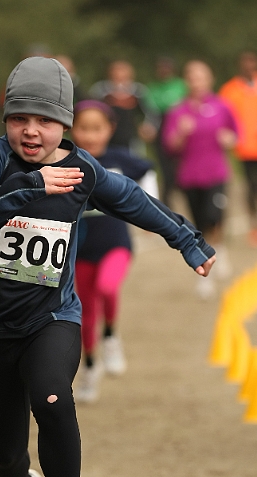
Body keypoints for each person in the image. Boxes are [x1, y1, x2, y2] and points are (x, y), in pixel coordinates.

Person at [0, 57, 215, 477]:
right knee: (4, 453)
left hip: (53, 318)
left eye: (45, 120)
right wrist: (31, 187)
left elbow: (132, 199)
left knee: (53, 397)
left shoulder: (82, 169)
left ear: (64, 125)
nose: (31, 130)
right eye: (20, 117)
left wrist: (184, 238)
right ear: (5, 119)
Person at [70, 99, 157, 402]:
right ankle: (90, 367)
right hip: (79, 251)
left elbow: (148, 170)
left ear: (110, 129)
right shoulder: (66, 160)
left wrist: (148, 211)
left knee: (108, 286)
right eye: (83, 128)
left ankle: (111, 337)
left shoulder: (120, 159)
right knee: (85, 313)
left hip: (116, 244)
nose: (90, 135)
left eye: (97, 129)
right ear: (72, 130)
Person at [164, 60, 238, 300]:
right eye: (192, 77)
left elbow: (236, 134)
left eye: (201, 77)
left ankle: (221, 250)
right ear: (187, 81)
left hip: (216, 174)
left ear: (210, 79)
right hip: (189, 176)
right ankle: (205, 273)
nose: (196, 82)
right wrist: (181, 134)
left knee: (215, 217)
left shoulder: (222, 106)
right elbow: (170, 146)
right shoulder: (178, 111)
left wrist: (230, 140)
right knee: (198, 225)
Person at [219, 51, 257, 247]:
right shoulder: (230, 90)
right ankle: (255, 224)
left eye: (252, 62)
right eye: (245, 63)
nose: (249, 66)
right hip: (244, 147)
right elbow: (223, 115)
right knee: (251, 186)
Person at [89, 60, 158, 154]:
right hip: (106, 138)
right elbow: (89, 109)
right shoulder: (101, 91)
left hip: (132, 138)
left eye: (123, 77)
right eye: (116, 76)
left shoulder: (138, 92)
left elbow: (151, 112)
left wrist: (148, 126)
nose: (119, 80)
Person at [145, 56, 187, 207]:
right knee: (166, 169)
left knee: (181, 167)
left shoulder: (181, 85)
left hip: (180, 126)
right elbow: (150, 112)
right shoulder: (152, 88)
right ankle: (167, 202)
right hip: (161, 127)